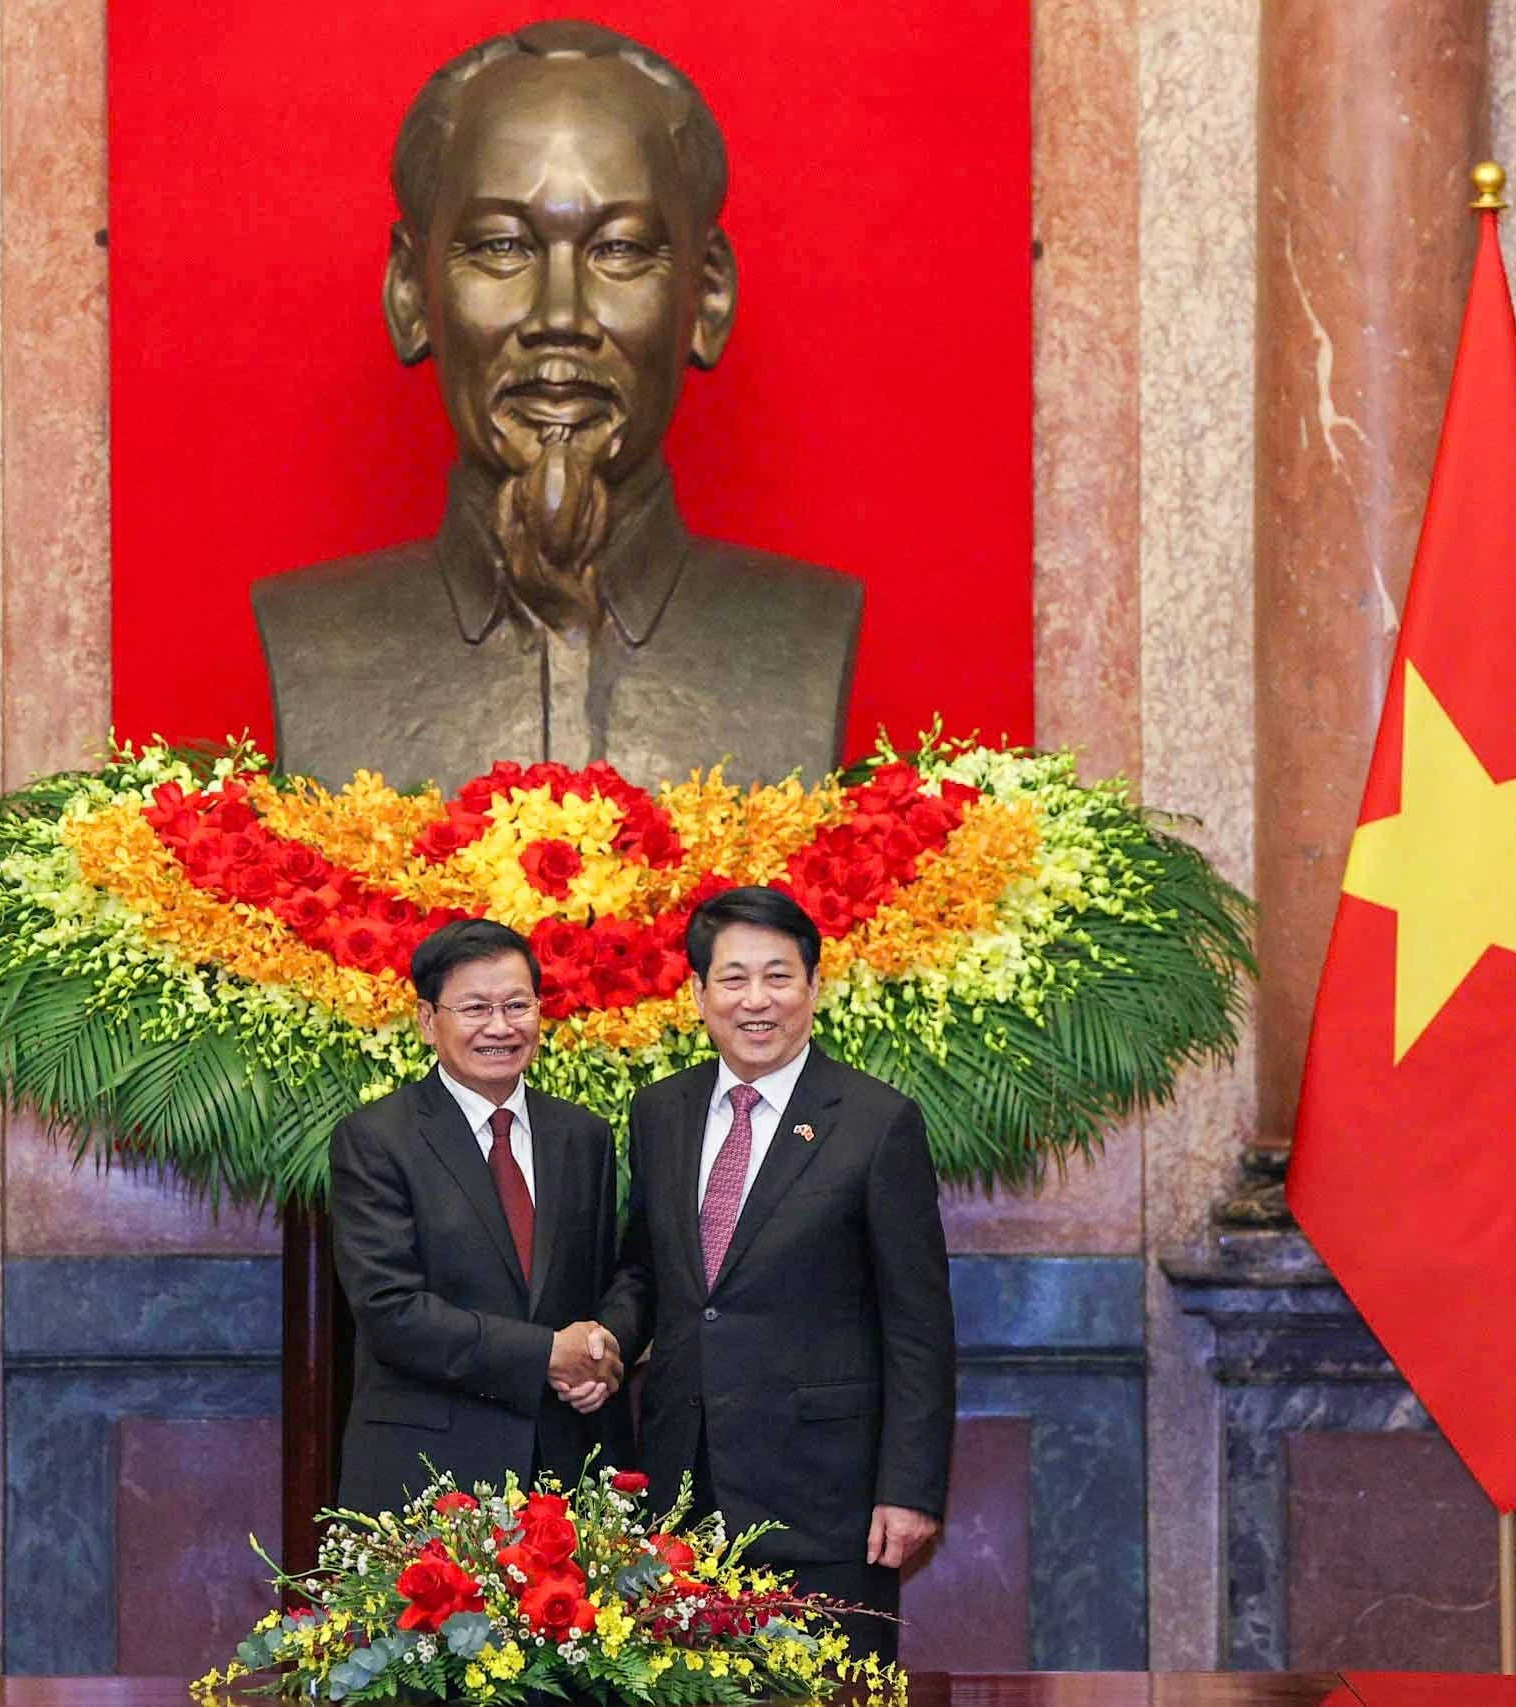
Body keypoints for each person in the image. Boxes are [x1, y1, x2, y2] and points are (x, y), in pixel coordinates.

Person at [252, 20, 859, 792]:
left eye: (620, 249)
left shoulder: (804, 633)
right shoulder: (314, 639)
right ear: (411, 292)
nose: (560, 315)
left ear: (706, 296)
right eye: (503, 246)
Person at [595, 885, 955, 1662]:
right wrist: (606, 1339)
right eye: (733, 978)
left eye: (778, 976)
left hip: (825, 1501)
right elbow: (649, 1271)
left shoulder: (875, 1120)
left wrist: (911, 1486)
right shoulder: (661, 1111)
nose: (756, 1000)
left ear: (815, 985)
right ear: (698, 993)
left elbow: (919, 1322)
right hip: (680, 1492)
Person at [331, 918, 628, 1515]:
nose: (500, 1026)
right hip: (426, 1473)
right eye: (474, 1008)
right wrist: (547, 1351)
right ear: (426, 1020)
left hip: (564, 1470)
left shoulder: (583, 1135)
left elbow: (609, 1278)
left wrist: (602, 1348)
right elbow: (391, 1311)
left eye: (517, 1005)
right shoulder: (376, 1139)